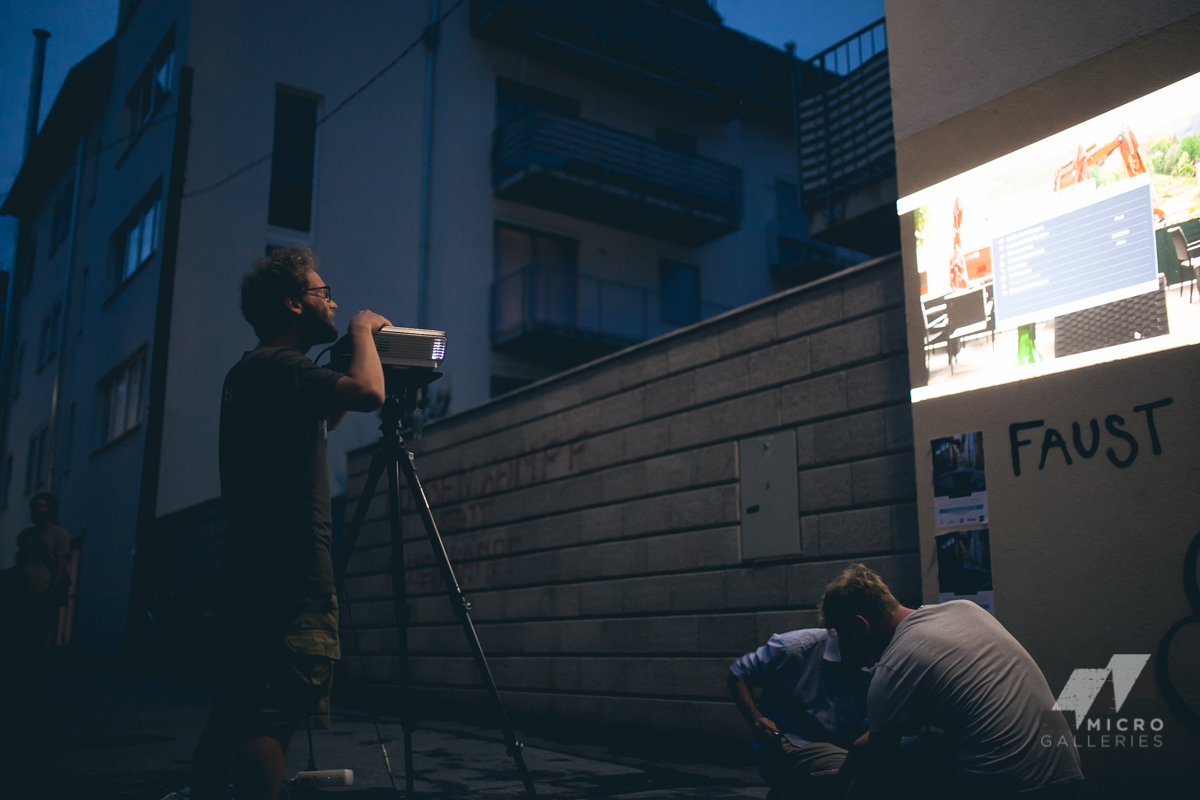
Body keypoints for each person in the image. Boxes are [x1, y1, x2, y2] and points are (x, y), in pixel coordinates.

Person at [190, 246, 391, 800]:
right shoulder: (281, 367)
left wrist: (346, 356)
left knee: (236, 709)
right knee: (270, 714)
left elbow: (327, 415)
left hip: (254, 573)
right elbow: (371, 393)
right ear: (294, 304)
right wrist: (363, 331)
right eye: (323, 293)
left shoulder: (254, 371)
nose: (334, 302)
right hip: (288, 577)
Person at [819, 564, 1083, 799]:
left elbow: (873, 775)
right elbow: (877, 740)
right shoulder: (965, 609)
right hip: (1067, 775)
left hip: (1007, 789)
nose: (845, 647)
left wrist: (842, 786)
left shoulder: (894, 665)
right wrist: (848, 768)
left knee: (911, 764)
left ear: (862, 626)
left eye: (844, 637)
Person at [728, 625, 869, 800]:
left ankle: (792, 792)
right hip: (794, 742)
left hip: (845, 743)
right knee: (857, 774)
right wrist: (756, 718)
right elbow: (738, 674)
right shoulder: (794, 647)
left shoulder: (875, 657)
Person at [12, 493, 72, 660]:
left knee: (39, 636)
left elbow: (61, 567)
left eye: (41, 506)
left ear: (51, 509)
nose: (37, 510)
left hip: (43, 594)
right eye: (34, 506)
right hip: (23, 592)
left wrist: (52, 593)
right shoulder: (29, 535)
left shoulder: (60, 535)